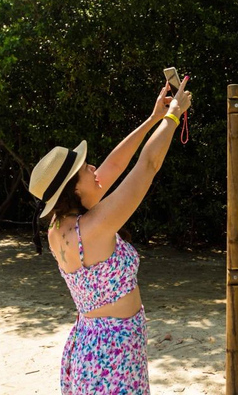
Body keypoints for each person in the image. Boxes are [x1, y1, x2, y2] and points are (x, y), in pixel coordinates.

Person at [28, 76, 191, 394]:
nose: (94, 170)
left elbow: (115, 164)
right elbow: (148, 165)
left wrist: (153, 118)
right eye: (88, 167)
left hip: (94, 345)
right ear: (74, 188)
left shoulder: (59, 227)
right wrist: (174, 116)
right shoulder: (95, 227)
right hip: (112, 353)